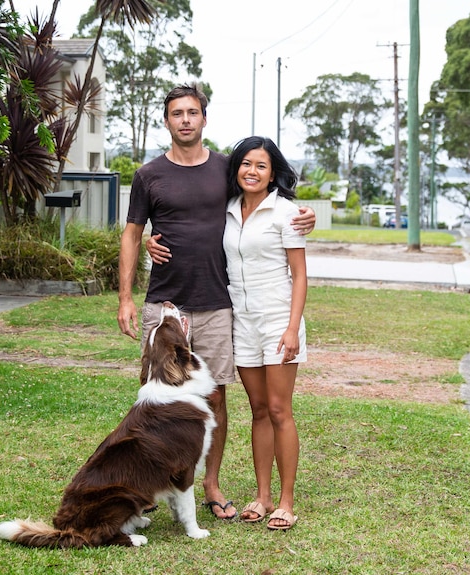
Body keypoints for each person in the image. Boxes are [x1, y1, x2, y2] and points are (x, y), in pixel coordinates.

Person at [117, 85, 315, 520]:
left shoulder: (228, 170)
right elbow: (132, 233)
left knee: (217, 399)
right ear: (166, 121)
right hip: (165, 305)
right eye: (176, 113)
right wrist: (126, 296)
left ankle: (210, 483)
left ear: (205, 119)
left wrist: (306, 215)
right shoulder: (149, 175)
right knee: (158, 397)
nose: (185, 120)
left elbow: (265, 196)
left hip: (216, 304)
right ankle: (154, 483)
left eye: (192, 112)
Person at [223, 136, 305, 531]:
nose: (252, 171)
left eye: (261, 166)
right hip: (242, 322)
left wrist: (292, 329)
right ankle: (262, 495)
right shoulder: (226, 210)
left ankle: (286, 501)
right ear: (236, 167)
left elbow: (300, 276)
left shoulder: (285, 212)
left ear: (273, 174)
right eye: (246, 164)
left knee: (278, 410)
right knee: (257, 411)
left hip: (277, 322)